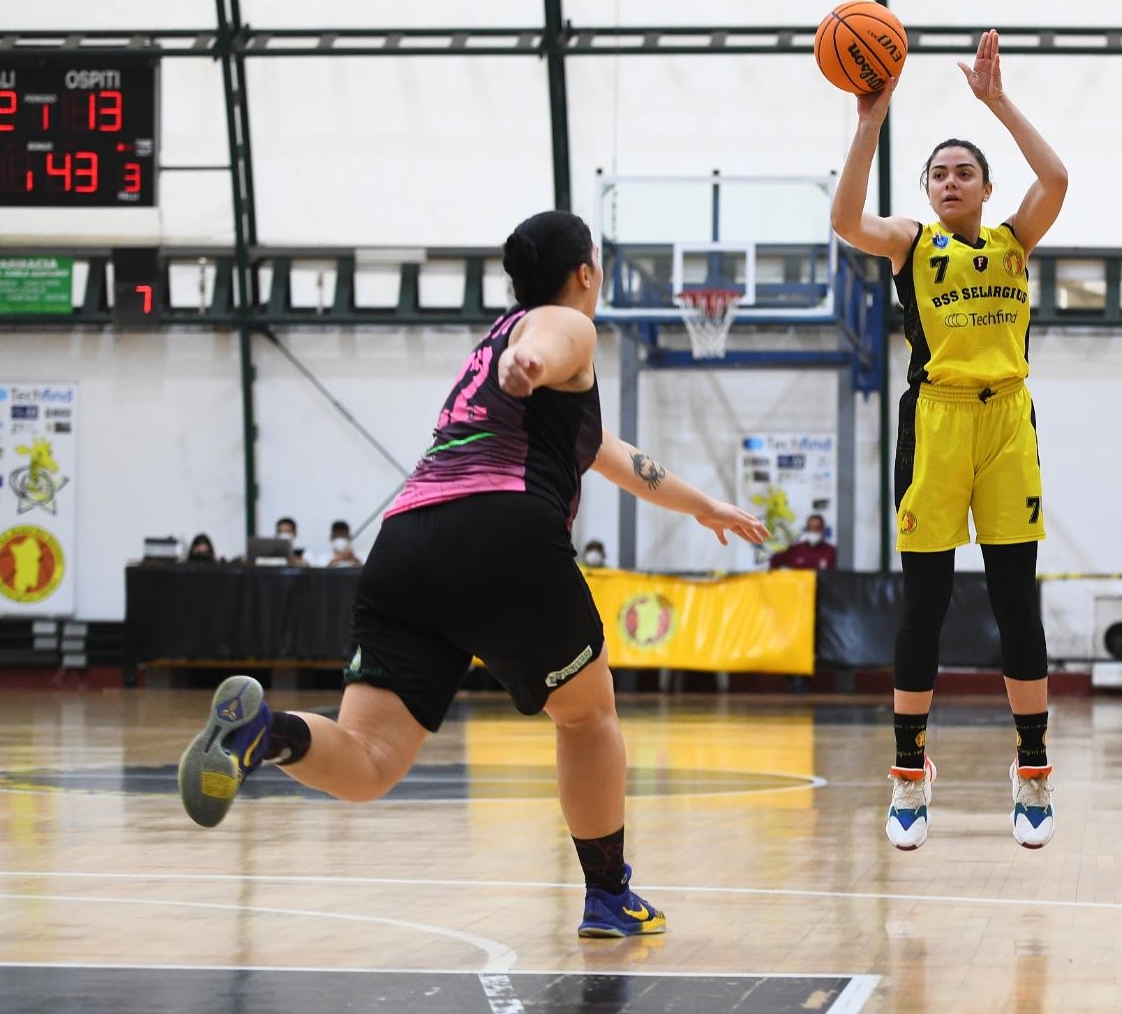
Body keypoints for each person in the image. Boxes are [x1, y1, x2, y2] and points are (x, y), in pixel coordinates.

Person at [177, 210, 768, 938]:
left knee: (370, 761)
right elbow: (550, 340)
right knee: (585, 715)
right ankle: (608, 895)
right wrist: (533, 362)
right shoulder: (560, 327)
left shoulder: (493, 350)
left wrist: (705, 506)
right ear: (586, 271)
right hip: (500, 534)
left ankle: (264, 734)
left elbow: (616, 457)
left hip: (405, 544)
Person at [830, 29, 1068, 852]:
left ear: (987, 187)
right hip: (935, 423)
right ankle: (908, 773)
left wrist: (997, 102)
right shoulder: (911, 242)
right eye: (939, 173)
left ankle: (1032, 768)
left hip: (1007, 423)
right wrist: (871, 120)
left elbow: (1057, 179)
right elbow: (844, 219)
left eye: (965, 172)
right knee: (924, 604)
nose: (952, 181)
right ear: (927, 191)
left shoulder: (1013, 240)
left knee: (1015, 601)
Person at [768, 513, 838, 570]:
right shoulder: (797, 550)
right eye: (811, 528)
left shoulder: (831, 551)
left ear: (822, 529)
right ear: (807, 529)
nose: (813, 531)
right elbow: (775, 560)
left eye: (817, 528)